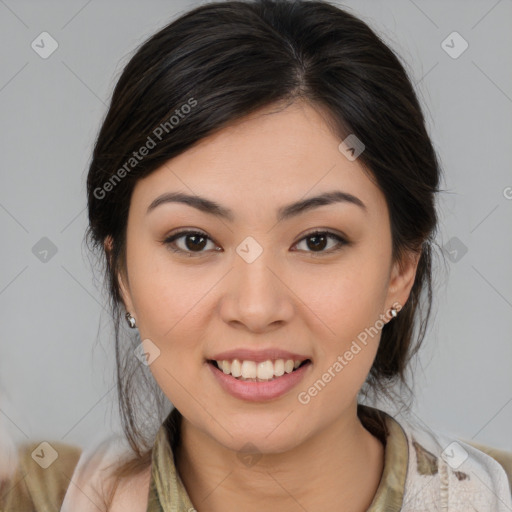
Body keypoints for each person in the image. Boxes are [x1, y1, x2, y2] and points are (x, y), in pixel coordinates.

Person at [34, 0, 512, 510]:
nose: (257, 308)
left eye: (318, 240)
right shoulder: (34, 493)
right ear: (122, 271)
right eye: (194, 241)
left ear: (401, 268)